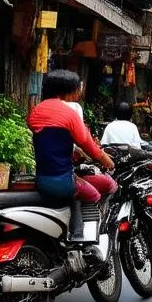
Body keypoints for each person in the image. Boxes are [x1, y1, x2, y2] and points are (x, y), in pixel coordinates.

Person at [28, 70, 116, 244]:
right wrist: (108, 162)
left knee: (78, 191)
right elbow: (91, 148)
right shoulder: (70, 114)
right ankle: (84, 242)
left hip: (41, 178)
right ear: (67, 89)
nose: (79, 91)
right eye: (77, 88)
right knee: (94, 195)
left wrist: (73, 152)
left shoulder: (36, 111)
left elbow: (51, 142)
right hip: (62, 182)